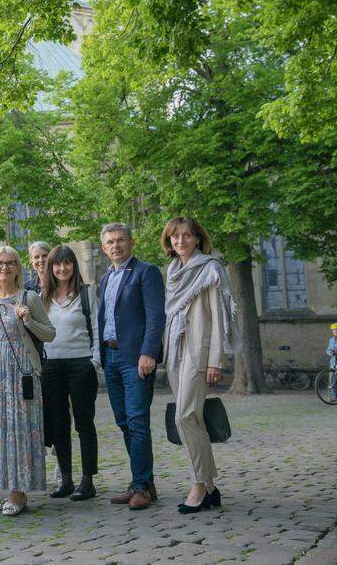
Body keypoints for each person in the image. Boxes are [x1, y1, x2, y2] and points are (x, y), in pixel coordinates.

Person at [0, 245, 54, 516]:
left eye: (9, 263)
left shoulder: (28, 297)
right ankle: (4, 486)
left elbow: (49, 334)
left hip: (21, 371)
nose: (4, 268)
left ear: (18, 268)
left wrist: (29, 320)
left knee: (20, 429)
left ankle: (19, 492)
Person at [161, 217, 234, 514]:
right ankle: (211, 489)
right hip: (176, 349)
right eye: (175, 237)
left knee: (185, 416)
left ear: (197, 238)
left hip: (199, 350)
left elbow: (219, 316)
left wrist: (216, 359)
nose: (180, 241)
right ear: (169, 241)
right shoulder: (173, 270)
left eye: (186, 235)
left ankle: (198, 485)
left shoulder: (210, 269)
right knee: (194, 419)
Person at [98, 222, 166, 511]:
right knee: (124, 421)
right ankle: (143, 482)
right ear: (104, 248)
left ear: (131, 242)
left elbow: (155, 316)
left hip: (135, 358)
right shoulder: (105, 278)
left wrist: (149, 352)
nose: (116, 246)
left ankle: (141, 486)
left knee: (137, 420)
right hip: (110, 357)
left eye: (121, 240)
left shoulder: (145, 272)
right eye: (110, 242)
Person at [40, 245, 100, 501]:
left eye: (67, 263)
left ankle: (88, 481)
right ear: (50, 268)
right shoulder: (43, 296)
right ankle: (66, 479)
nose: (62, 268)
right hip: (52, 366)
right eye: (57, 264)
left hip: (81, 365)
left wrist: (94, 362)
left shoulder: (87, 294)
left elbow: (97, 328)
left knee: (84, 422)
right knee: (58, 425)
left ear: (73, 266)